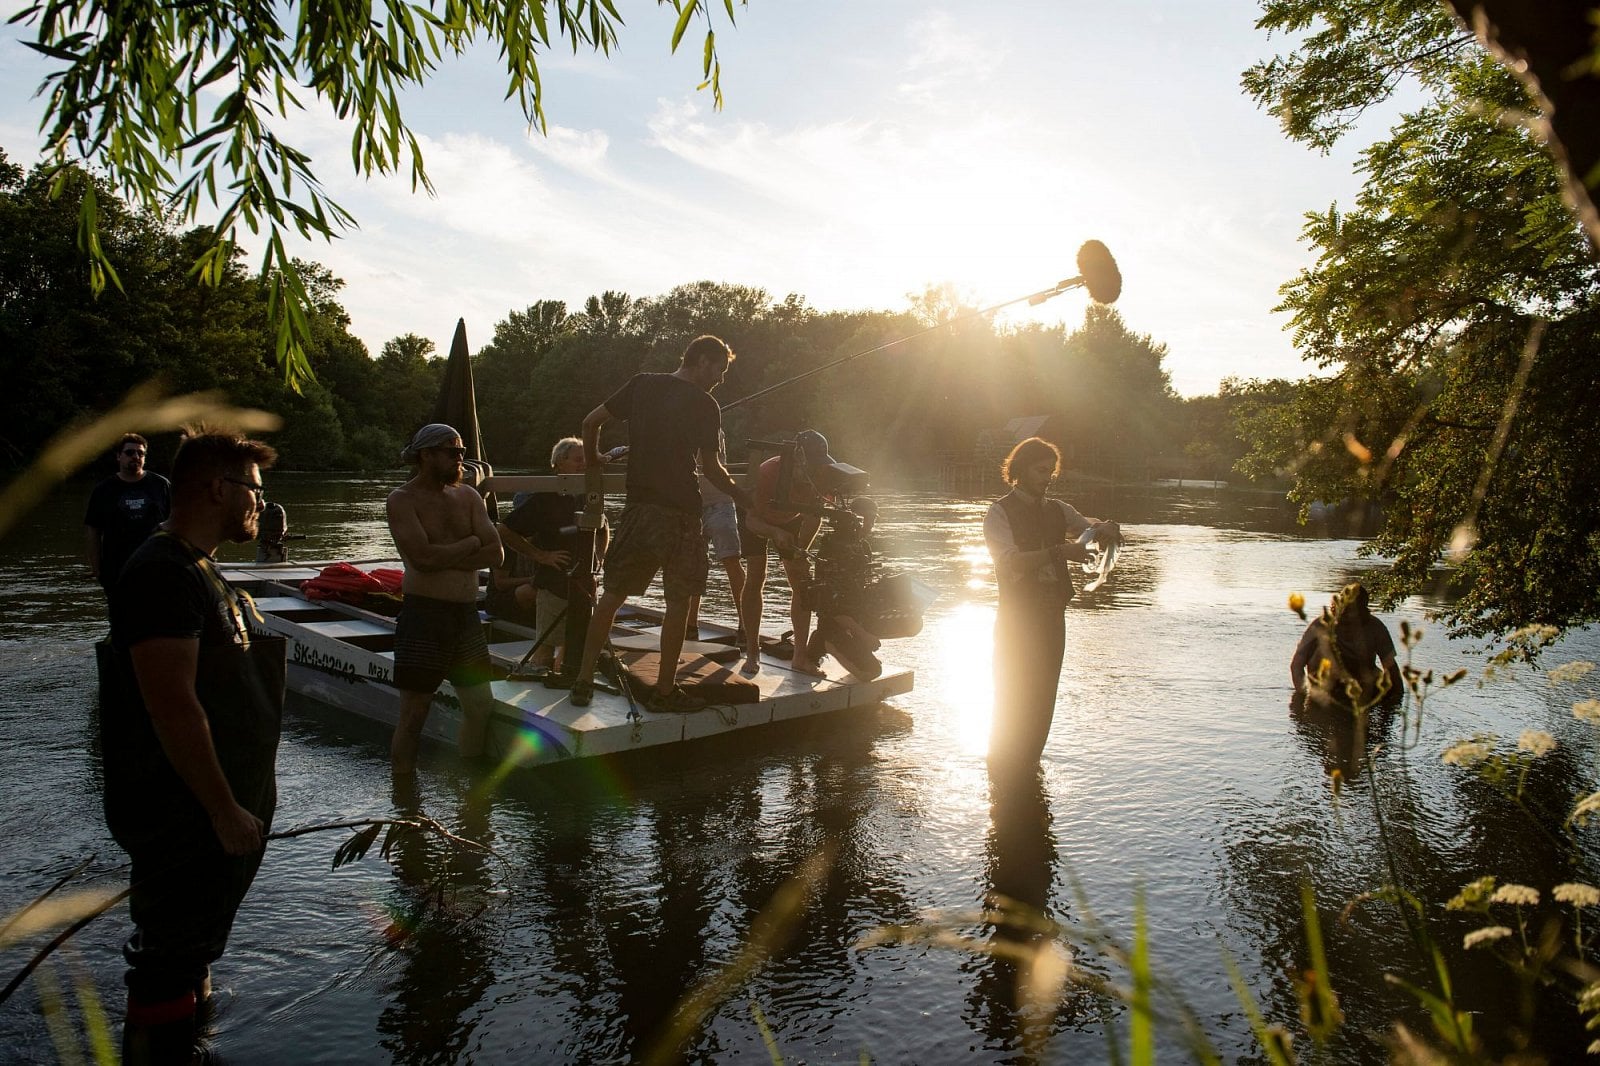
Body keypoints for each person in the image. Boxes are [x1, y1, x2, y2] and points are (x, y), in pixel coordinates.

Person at [100, 431, 284, 1064]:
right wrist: (222, 809)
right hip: (184, 813)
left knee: (191, 950)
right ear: (217, 489)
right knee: (167, 953)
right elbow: (172, 705)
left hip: (215, 810)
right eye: (255, 491)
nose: (261, 504)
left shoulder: (199, 567)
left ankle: (189, 1040)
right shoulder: (161, 572)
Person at [569, 335, 754, 711]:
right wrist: (743, 496)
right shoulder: (706, 404)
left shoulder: (642, 383)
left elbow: (590, 423)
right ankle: (666, 691)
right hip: (683, 513)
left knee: (613, 595)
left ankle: (583, 678)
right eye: (720, 369)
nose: (720, 378)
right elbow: (712, 469)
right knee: (678, 601)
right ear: (703, 360)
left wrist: (593, 463)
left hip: (639, 509)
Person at [983, 437, 1117, 767]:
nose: (1048, 477)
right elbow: (1010, 562)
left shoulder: (1060, 510)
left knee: (1044, 696)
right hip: (1017, 618)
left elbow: (1088, 532)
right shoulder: (998, 513)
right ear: (1020, 470)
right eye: (1041, 470)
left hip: (1053, 616)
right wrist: (1059, 552)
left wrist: (1105, 528)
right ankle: (1002, 765)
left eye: (1052, 471)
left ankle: (1029, 763)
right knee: (1012, 693)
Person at [386, 423, 505, 774]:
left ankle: (469, 788)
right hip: (424, 617)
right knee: (414, 713)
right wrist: (471, 543)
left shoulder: (468, 496)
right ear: (426, 455)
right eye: (453, 453)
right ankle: (404, 797)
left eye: (463, 453)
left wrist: (447, 554)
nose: (461, 460)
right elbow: (422, 560)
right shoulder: (402, 500)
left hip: (466, 617)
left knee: (480, 705)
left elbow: (496, 554)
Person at [490, 437, 607, 674]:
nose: (584, 464)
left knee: (573, 644)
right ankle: (537, 685)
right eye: (578, 460)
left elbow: (603, 527)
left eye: (586, 460)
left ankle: (564, 682)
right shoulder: (545, 497)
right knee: (546, 645)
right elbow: (504, 530)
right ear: (559, 463)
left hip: (584, 583)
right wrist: (540, 555)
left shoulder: (589, 493)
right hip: (552, 582)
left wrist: (600, 560)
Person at [738, 429, 837, 676]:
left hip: (791, 517)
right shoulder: (767, 473)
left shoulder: (822, 476)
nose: (813, 472)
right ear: (797, 460)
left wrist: (801, 548)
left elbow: (815, 516)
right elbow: (751, 521)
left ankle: (800, 657)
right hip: (756, 517)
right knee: (756, 576)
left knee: (802, 583)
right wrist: (774, 532)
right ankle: (752, 652)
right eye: (809, 466)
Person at [85, 433, 172, 597]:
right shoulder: (104, 490)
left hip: (157, 568)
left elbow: (177, 522)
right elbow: (93, 530)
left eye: (141, 453)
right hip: (117, 570)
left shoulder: (161, 485)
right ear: (118, 456)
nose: (136, 457)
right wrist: (97, 569)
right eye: (130, 452)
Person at [1290, 581, 1401, 709]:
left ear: (1363, 611)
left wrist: (1395, 701)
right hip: (1324, 685)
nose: (1348, 617)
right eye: (1345, 611)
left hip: (1361, 688)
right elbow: (1297, 664)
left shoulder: (1376, 628)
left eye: (1353, 612)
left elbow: (1391, 669)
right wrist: (1306, 693)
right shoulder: (1320, 625)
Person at [686, 428, 747, 643]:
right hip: (689, 503)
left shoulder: (712, 428)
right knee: (693, 563)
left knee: (731, 559)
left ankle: (745, 624)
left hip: (720, 501)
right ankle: (690, 625)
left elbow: (709, 461)